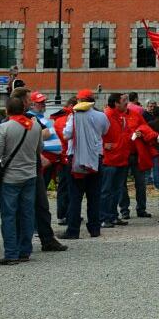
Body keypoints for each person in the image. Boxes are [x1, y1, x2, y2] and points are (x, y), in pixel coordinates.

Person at [0, 95, 42, 265]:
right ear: (24, 109)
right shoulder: (35, 126)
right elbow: (39, 149)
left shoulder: (4, 127)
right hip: (30, 175)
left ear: (7, 111)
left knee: (9, 216)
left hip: (10, 177)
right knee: (27, 214)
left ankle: (11, 253)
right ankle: (25, 250)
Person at [60, 89, 110, 239]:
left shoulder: (73, 116)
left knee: (75, 196)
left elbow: (66, 135)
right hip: (95, 158)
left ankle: (73, 230)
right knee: (94, 196)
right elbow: (105, 131)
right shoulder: (101, 116)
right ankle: (94, 229)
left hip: (76, 158)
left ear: (80, 101)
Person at [26, 92, 67, 253]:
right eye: (40, 102)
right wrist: (42, 157)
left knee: (41, 197)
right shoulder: (31, 117)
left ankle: (41, 229)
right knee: (38, 198)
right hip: (43, 160)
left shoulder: (40, 117)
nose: (43, 105)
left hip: (49, 160)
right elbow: (31, 139)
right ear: (31, 104)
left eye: (44, 102)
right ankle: (38, 228)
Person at [99, 93, 133, 229]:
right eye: (124, 100)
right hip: (110, 160)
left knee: (116, 191)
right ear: (115, 103)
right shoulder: (106, 116)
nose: (127, 103)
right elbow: (95, 134)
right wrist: (103, 145)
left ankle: (112, 216)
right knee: (107, 191)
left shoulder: (121, 117)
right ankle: (104, 218)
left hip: (120, 159)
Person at [121, 101, 157, 220]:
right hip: (123, 154)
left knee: (140, 183)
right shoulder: (115, 115)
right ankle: (124, 210)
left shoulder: (136, 115)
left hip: (137, 154)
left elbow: (146, 128)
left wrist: (141, 133)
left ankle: (141, 208)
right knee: (122, 184)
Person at [51, 97, 77, 225]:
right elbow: (66, 138)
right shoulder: (66, 119)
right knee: (67, 187)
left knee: (65, 187)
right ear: (72, 106)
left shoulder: (61, 118)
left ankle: (66, 213)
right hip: (66, 156)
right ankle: (63, 214)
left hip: (62, 157)